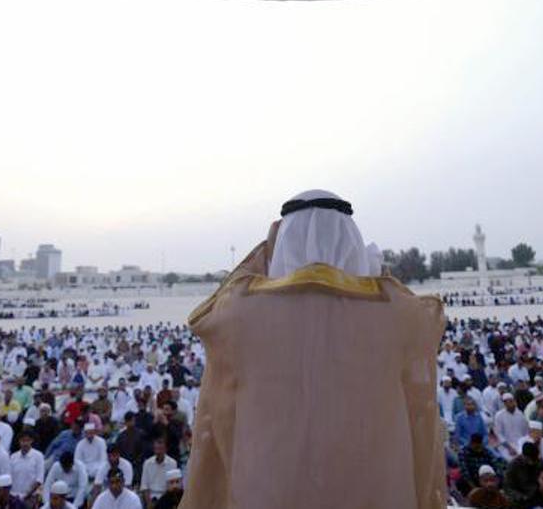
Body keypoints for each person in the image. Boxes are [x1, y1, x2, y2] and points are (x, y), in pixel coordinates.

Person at [178, 191, 446, 509]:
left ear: (282, 242)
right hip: (373, 488)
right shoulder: (397, 314)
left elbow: (209, 312)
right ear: (353, 240)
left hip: (270, 490)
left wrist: (263, 252)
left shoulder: (241, 314)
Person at [140, 437, 179, 506]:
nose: (158, 451)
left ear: (165, 449)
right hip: (151, 497)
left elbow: (172, 486)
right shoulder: (147, 463)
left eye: (160, 449)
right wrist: (149, 504)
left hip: (166, 497)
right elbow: (144, 487)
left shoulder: (172, 463)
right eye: (156, 449)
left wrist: (161, 502)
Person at [9, 428, 44, 505]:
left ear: (31, 441)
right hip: (13, 496)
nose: (25, 443)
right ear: (19, 441)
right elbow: (9, 477)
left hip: (30, 497)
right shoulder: (13, 457)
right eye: (23, 441)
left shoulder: (38, 456)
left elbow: (39, 480)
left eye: (27, 440)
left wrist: (26, 496)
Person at [493, 392, 530, 459]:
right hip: (505, 446)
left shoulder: (520, 414)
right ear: (504, 404)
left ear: (515, 401)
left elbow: (526, 432)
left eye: (511, 401)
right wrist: (509, 448)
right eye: (506, 402)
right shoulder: (499, 415)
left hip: (520, 444)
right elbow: (499, 434)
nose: (509, 403)